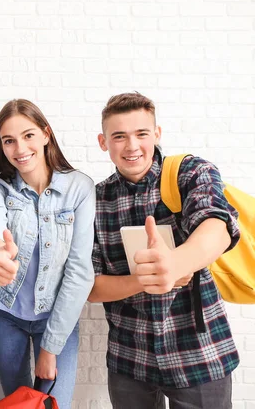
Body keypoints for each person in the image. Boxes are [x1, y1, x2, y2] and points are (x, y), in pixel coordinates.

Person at [88, 92, 240, 409]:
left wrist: (174, 262)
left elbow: (218, 227)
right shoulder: (94, 200)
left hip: (199, 354)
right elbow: (91, 286)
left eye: (141, 134)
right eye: (119, 136)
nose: (132, 146)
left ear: (156, 134)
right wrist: (146, 279)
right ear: (104, 142)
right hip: (129, 360)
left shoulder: (190, 172)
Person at [0, 99, 95, 409]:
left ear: (45, 134)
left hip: (57, 320)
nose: (20, 148)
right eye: (9, 140)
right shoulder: (0, 187)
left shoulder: (80, 188)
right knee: (16, 406)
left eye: (28, 135)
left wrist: (51, 348)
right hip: (7, 316)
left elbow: (80, 272)